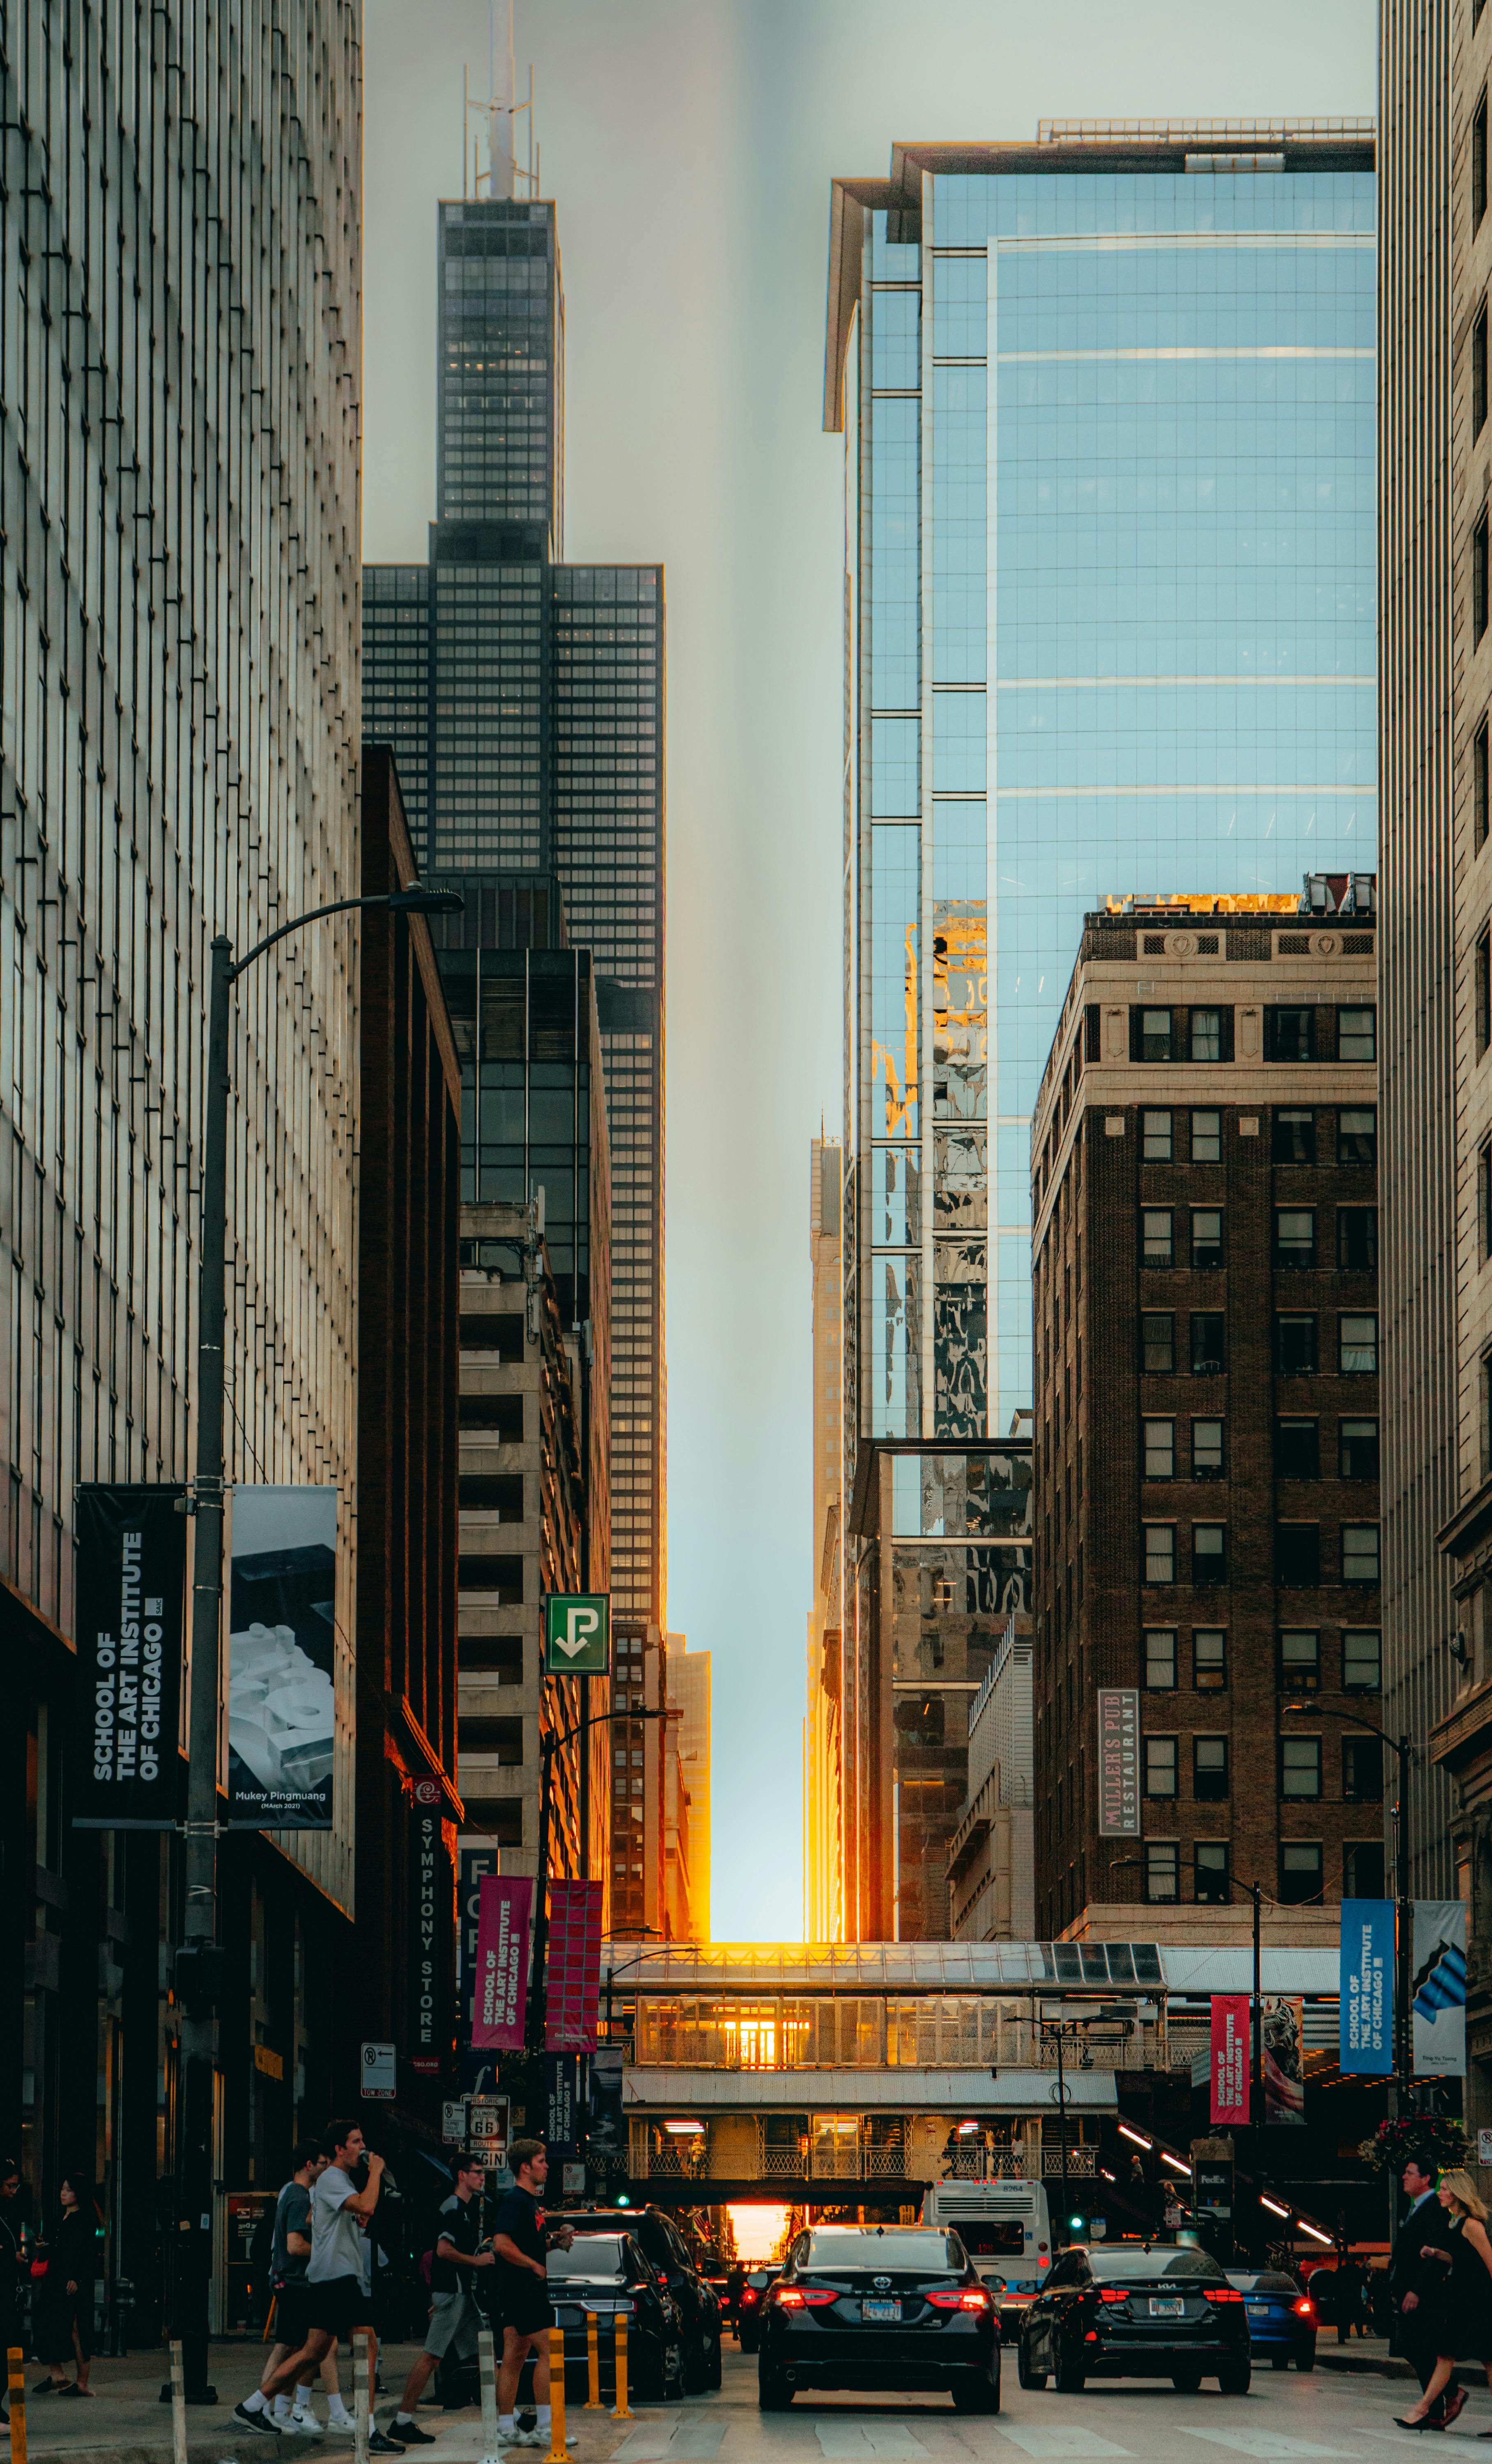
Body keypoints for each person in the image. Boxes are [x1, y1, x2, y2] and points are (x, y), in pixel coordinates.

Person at [238, 2122, 403, 2454]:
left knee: (313, 2352)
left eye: (362, 2140)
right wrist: (376, 2173)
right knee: (367, 2345)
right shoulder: (332, 2178)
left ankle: (253, 2406)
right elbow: (368, 2205)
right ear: (340, 2149)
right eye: (356, 2141)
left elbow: (315, 2218)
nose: (363, 2146)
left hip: (331, 2276)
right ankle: (368, 2430)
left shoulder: (335, 2182)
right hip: (338, 2277)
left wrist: (345, 2218)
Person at [385, 2157, 492, 2445]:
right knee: (432, 2356)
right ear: (462, 2175)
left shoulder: (466, 2209)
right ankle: (402, 2422)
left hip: (461, 2293)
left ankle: (504, 2418)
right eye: (478, 2173)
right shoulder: (453, 2208)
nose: (483, 2178)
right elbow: (443, 2250)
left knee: (482, 2353)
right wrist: (477, 2261)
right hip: (452, 2291)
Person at [490, 2140, 574, 2452]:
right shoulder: (515, 2201)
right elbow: (501, 2245)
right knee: (551, 2351)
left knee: (513, 2357)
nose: (547, 2166)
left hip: (519, 2290)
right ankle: (544, 2426)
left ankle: (504, 2427)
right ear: (525, 2167)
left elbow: (526, 2243)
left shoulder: (529, 2203)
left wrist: (555, 2243)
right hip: (523, 2289)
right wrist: (533, 2265)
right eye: (541, 2161)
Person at [1395, 2170, 1492, 2432]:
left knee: (1457, 2355)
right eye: (1441, 2188)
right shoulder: (1454, 2222)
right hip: (1462, 2299)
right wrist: (1437, 2253)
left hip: (1479, 2302)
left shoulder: (1472, 2225)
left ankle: (1422, 2408)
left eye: (1446, 2189)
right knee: (1463, 2357)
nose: (1441, 2193)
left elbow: (1489, 2263)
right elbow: (1462, 2260)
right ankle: (1424, 2408)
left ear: (1459, 2193)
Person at [1389, 2156, 1464, 2431]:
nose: (1404, 2177)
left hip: (1427, 2295)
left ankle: (1444, 2398)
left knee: (1419, 2346)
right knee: (1419, 2347)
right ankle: (1440, 2402)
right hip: (1412, 2291)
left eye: (1409, 2173)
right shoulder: (1416, 2208)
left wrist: (1416, 2291)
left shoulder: (1433, 2208)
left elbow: (1434, 2255)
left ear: (1425, 2179)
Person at [32, 2173, 97, 2396]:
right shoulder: (59, 2219)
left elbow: (88, 2255)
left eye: (68, 2190)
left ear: (78, 2193)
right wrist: (42, 2246)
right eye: (62, 2189)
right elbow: (56, 2250)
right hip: (55, 2279)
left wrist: (78, 2281)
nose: (63, 2194)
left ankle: (82, 2382)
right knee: (47, 2323)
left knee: (76, 2330)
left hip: (74, 2282)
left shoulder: (86, 2220)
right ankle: (58, 2374)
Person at [0, 2159, 23, 2426]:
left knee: (10, 2351)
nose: (13, 2191)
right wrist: (10, 2256)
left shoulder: (9, 2210)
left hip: (7, 2291)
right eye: (10, 2186)